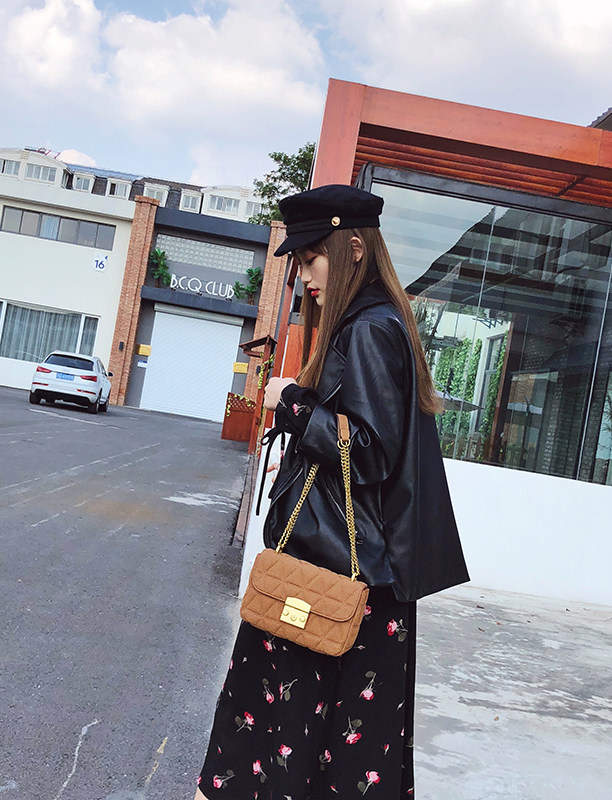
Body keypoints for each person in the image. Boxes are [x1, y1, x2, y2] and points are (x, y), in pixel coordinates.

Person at [195, 184, 469, 799]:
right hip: (349, 570)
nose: (304, 274)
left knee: (294, 727)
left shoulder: (370, 328)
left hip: (339, 575)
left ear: (353, 248)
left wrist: (292, 404)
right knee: (322, 744)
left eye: (311, 257)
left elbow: (368, 450)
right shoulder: (374, 321)